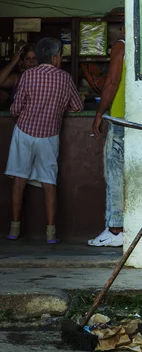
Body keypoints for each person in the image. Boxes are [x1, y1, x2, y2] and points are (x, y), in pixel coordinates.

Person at [5, 37, 83, 243]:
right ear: (55, 57)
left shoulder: (28, 76)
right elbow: (77, 106)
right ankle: (51, 234)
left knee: (19, 181)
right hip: (49, 136)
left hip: (24, 132)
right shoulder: (65, 78)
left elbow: (15, 109)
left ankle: (14, 230)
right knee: (49, 183)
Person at [88, 25, 126, 247]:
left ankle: (115, 228)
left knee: (114, 175)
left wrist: (100, 112)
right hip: (136, 119)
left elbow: (112, 82)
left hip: (120, 119)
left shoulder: (121, 46)